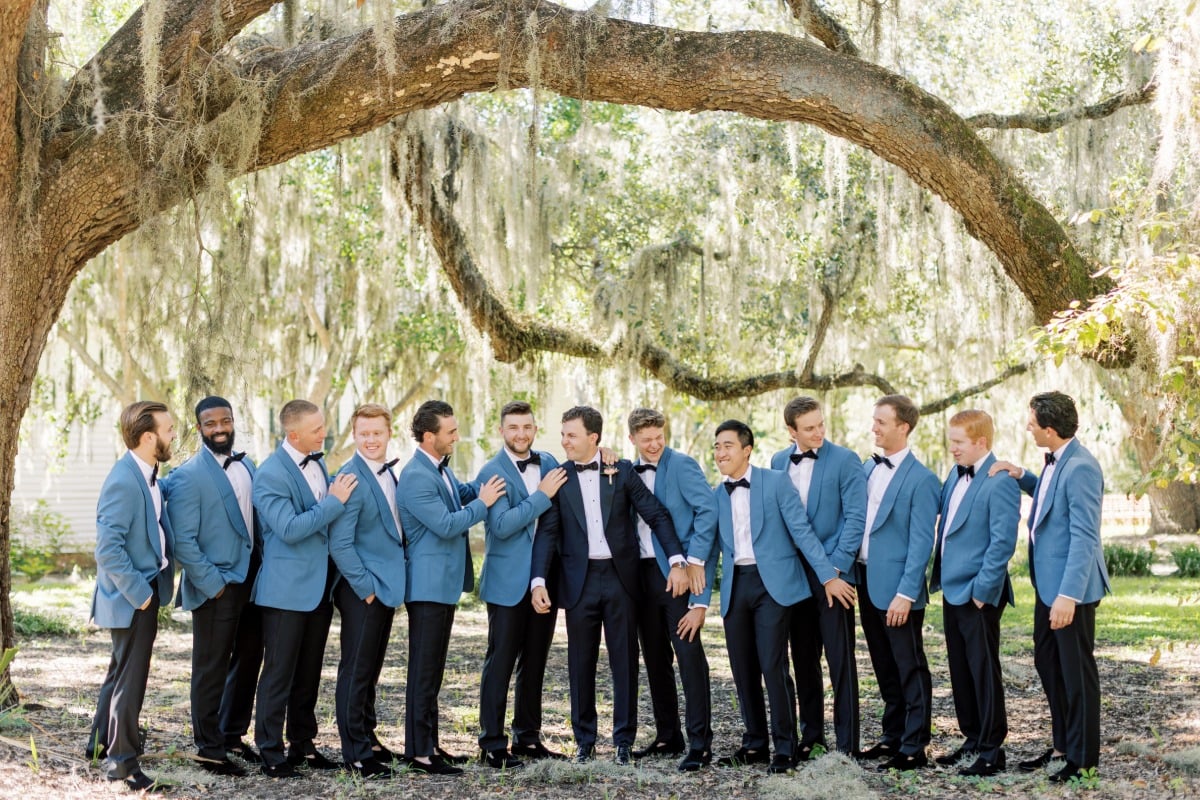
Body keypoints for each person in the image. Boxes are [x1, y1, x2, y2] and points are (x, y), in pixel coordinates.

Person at [530, 406, 689, 766]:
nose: (564, 441)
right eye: (563, 433)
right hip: (578, 582)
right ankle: (584, 742)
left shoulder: (622, 470)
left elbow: (656, 514)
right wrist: (538, 579)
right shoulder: (558, 477)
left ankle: (623, 742)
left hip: (621, 581)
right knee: (579, 663)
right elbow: (549, 532)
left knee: (625, 662)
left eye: (571, 434)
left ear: (594, 438)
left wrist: (677, 559)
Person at [710, 420, 856, 774]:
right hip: (735, 586)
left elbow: (802, 532)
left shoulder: (776, 482)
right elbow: (707, 546)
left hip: (773, 586)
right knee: (742, 669)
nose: (720, 453)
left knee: (773, 666)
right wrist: (698, 601)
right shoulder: (716, 494)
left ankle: (785, 748)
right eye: (716, 446)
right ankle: (755, 743)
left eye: (727, 445)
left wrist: (828, 577)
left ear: (747, 450)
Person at [990, 391, 1110, 783]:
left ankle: (1082, 760)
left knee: (1077, 673)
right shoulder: (1060, 462)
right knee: (1047, 662)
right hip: (1048, 588)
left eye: (1032, 422)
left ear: (1050, 428)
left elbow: (1084, 537)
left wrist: (1068, 597)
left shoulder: (1082, 468)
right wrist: (1021, 475)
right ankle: (1062, 745)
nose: (1028, 427)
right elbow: (1048, 494)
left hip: (1068, 592)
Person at [397, 400, 506, 775]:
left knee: (434, 671)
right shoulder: (415, 476)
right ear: (430, 437)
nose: (456, 437)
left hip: (441, 586)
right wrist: (484, 502)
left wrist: (493, 474)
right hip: (426, 587)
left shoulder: (438, 470)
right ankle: (419, 752)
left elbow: (462, 491)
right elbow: (446, 524)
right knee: (423, 672)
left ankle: (430, 744)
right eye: (451, 432)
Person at [252, 399, 356, 778]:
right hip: (284, 592)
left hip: (319, 590)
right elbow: (291, 529)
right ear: (293, 434)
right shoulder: (270, 475)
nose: (323, 433)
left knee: (309, 673)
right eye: (316, 429)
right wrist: (334, 502)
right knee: (278, 673)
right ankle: (269, 751)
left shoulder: (317, 462)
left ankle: (303, 744)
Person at [163, 396, 260, 777]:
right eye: (210, 424)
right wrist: (214, 584)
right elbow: (183, 540)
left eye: (225, 421)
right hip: (216, 584)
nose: (219, 429)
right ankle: (208, 747)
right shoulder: (188, 476)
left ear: (233, 421)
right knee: (210, 665)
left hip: (252, 580)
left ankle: (232, 734)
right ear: (199, 428)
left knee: (249, 658)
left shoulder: (248, 465)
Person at [474, 401, 569, 769]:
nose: (521, 434)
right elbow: (501, 525)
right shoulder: (491, 472)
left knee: (535, 662)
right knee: (500, 663)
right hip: (506, 584)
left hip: (543, 582)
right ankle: (491, 744)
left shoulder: (547, 462)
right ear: (502, 431)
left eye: (527, 427)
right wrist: (541, 496)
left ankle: (528, 738)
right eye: (513, 428)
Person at [770, 396, 866, 758]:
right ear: (791, 430)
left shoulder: (845, 460)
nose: (819, 433)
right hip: (794, 577)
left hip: (836, 576)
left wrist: (834, 571)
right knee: (803, 658)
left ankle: (847, 745)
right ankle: (812, 735)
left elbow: (855, 519)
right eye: (809, 428)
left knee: (841, 660)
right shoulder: (778, 461)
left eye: (821, 424)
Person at [89, 400, 177, 791]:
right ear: (148, 437)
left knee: (119, 672)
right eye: (169, 429)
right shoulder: (125, 480)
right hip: (132, 597)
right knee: (131, 679)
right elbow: (108, 549)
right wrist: (141, 595)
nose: (174, 435)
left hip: (144, 590)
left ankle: (98, 743)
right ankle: (123, 763)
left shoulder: (147, 474)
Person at [626, 408, 719, 772]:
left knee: (689, 656)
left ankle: (700, 743)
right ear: (632, 438)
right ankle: (668, 735)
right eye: (646, 439)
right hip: (641, 576)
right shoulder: (626, 471)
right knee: (655, 658)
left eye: (658, 437)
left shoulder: (681, 465)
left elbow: (707, 511)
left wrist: (692, 561)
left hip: (676, 575)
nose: (653, 445)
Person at [930, 410, 1019, 777]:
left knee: (983, 670)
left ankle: (992, 748)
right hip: (952, 589)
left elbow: (1002, 542)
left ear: (981, 442)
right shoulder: (955, 474)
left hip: (979, 593)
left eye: (959, 443)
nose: (952, 449)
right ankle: (972, 737)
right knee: (961, 669)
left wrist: (983, 591)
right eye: (950, 441)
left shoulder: (999, 481)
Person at [855, 394, 939, 771]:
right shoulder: (868, 468)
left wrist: (906, 593)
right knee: (884, 665)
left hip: (899, 590)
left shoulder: (922, 480)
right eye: (874, 421)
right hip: (865, 581)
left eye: (881, 422)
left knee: (909, 666)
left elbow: (922, 542)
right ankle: (891, 736)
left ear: (903, 427)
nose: (874, 427)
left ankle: (915, 744)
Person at [329, 403, 408, 778]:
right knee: (356, 671)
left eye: (377, 433)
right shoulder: (351, 477)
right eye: (364, 434)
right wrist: (367, 589)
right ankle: (355, 753)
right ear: (355, 435)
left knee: (371, 670)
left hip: (385, 587)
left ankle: (369, 739)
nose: (371, 440)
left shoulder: (388, 473)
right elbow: (340, 544)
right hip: (363, 590)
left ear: (388, 432)